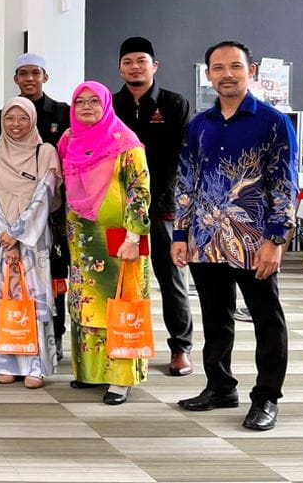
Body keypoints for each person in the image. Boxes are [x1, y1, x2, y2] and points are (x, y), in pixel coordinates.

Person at [174, 41, 297, 432]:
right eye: (217, 67)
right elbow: (185, 181)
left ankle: (266, 398)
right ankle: (220, 385)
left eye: (235, 66)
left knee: (266, 318)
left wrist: (276, 238)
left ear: (251, 71)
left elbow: (285, 182)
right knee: (215, 315)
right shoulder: (199, 125)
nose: (226, 74)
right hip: (205, 238)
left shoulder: (274, 122)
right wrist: (181, 232)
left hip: (253, 239)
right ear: (207, 74)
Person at [58, 81, 152, 406]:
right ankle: (92, 372)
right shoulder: (68, 140)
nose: (86, 107)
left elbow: (140, 190)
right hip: (82, 240)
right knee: (87, 303)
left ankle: (120, 378)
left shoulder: (126, 143)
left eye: (93, 101)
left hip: (118, 237)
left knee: (120, 304)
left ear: (106, 104)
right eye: (80, 101)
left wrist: (134, 236)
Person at [112, 36, 194, 377]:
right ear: (120, 67)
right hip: (118, 210)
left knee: (171, 277)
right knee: (118, 280)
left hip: (162, 209)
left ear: (154, 65)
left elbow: (183, 158)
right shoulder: (110, 104)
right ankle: (119, 344)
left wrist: (154, 200)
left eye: (141, 61)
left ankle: (180, 348)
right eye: (128, 61)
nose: (135, 67)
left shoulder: (174, 104)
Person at [0, 97, 61, 388]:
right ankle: (7, 361)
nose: (15, 124)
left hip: (32, 244)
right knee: (2, 301)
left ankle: (35, 365)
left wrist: (19, 233)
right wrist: (4, 235)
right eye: (10, 118)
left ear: (33, 120)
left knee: (31, 300)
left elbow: (43, 197)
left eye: (22, 118)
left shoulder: (45, 153)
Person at [14, 52, 71, 353]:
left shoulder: (63, 113)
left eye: (35, 73)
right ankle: (23, 331)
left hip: (53, 210)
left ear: (45, 77)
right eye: (23, 73)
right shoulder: (6, 114)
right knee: (20, 271)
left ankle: (56, 333)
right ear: (15, 79)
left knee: (54, 271)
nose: (30, 79)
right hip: (17, 207)